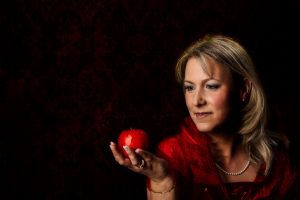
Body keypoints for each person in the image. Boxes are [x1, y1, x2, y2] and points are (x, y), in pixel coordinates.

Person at [109, 34, 299, 199]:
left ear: (243, 90)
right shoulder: (172, 154)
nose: (196, 101)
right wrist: (162, 180)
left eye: (211, 86)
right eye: (189, 88)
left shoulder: (276, 159)